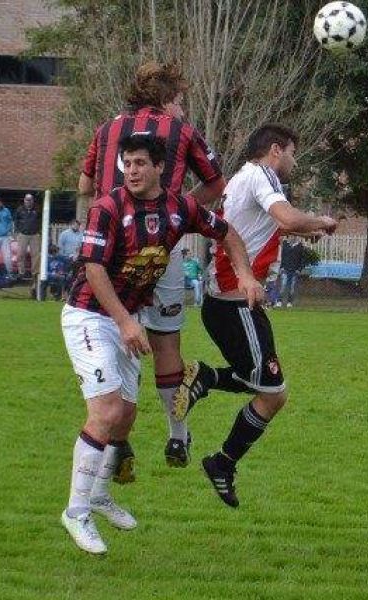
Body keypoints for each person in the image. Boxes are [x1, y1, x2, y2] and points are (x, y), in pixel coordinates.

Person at [59, 134, 259, 554]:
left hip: (125, 319)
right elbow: (93, 268)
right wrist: (126, 323)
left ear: (159, 168)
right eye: (126, 163)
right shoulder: (108, 208)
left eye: (138, 164)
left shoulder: (180, 207)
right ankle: (77, 511)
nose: (130, 171)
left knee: (126, 416)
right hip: (89, 315)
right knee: (107, 411)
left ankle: (98, 495)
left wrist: (244, 274)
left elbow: (228, 233)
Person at [174, 124, 338, 508]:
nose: (294, 162)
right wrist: (319, 221)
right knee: (270, 390)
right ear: (276, 150)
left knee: (271, 390)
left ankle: (221, 454)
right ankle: (218, 444)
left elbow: (264, 226)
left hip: (235, 302)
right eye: (293, 154)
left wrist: (300, 231)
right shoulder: (262, 175)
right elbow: (288, 218)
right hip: (235, 302)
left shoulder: (244, 180)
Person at [79, 61, 227, 478]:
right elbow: (217, 184)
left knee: (115, 334)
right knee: (165, 345)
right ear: (165, 100)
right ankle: (177, 433)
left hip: (109, 254)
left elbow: (84, 186)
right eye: (179, 101)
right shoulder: (181, 132)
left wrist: (104, 219)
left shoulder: (106, 130)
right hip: (158, 254)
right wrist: (174, 215)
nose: (182, 110)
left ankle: (117, 443)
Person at [14, 193, 41, 280]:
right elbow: (16, 220)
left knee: (36, 255)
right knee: (20, 254)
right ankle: (21, 272)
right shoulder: (20, 209)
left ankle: (35, 273)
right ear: (24, 200)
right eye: (27, 200)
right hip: (23, 234)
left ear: (32, 201)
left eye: (30, 200)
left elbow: (41, 220)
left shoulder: (37, 209)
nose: (28, 202)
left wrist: (39, 231)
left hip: (35, 235)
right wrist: (18, 231)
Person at [277, 235, 305, 307]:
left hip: (294, 270)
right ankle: (279, 301)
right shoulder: (285, 244)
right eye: (291, 236)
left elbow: (301, 259)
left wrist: (299, 269)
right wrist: (281, 267)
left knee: (292, 287)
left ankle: (289, 302)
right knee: (283, 285)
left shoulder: (300, 246)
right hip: (285, 268)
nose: (292, 237)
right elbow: (283, 256)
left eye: (294, 236)